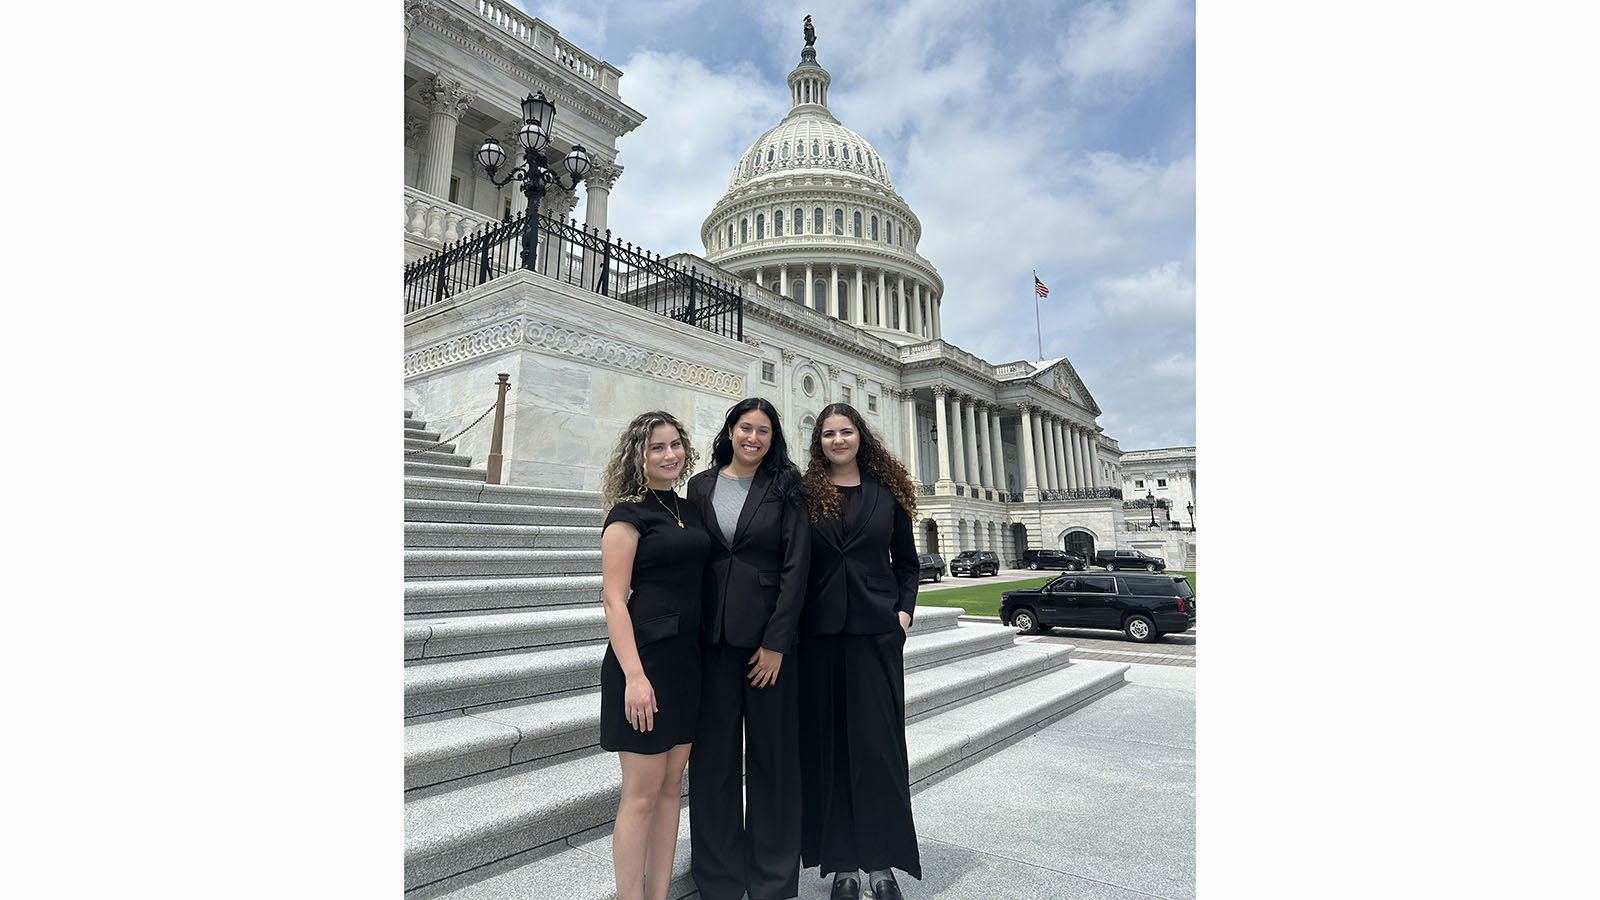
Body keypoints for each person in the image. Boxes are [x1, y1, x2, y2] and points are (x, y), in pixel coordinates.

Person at [685, 398, 811, 900]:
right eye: (745, 428)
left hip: (768, 646)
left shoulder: (787, 486)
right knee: (713, 764)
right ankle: (717, 879)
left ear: (772, 437)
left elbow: (797, 567)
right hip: (712, 641)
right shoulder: (701, 485)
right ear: (730, 431)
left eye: (762, 431)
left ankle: (773, 879)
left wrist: (777, 642)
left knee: (773, 762)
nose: (753, 438)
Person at [796, 403, 922, 900]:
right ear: (818, 441)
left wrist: (903, 613)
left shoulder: (887, 493)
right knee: (829, 749)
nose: (837, 440)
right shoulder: (806, 494)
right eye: (828, 434)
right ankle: (843, 864)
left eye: (845, 431)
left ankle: (882, 864)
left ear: (860, 436)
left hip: (875, 634)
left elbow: (908, 565)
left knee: (879, 750)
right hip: (820, 638)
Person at [599, 410, 711, 900]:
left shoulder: (689, 509)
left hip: (688, 662)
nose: (670, 455)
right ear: (638, 456)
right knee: (641, 796)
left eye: (675, 445)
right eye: (657, 448)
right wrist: (635, 678)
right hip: (644, 663)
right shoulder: (628, 515)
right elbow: (612, 600)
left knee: (671, 791)